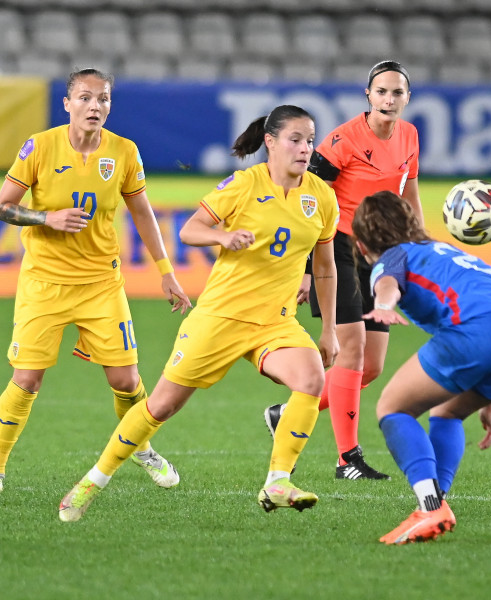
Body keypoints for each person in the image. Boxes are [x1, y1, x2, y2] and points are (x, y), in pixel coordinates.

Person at [57, 105, 340, 522]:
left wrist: (329, 330)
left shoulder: (322, 196)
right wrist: (224, 235)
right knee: (161, 407)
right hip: (220, 317)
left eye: (310, 140)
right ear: (271, 142)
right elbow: (190, 230)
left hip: (275, 322)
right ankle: (90, 482)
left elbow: (326, 267)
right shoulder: (244, 185)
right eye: (295, 139)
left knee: (312, 377)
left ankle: (278, 481)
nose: (305, 148)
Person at [0, 68, 191, 494]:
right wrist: (45, 218)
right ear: (68, 103)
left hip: (101, 284)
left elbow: (142, 213)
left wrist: (166, 272)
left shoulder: (125, 152)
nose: (95, 106)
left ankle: (142, 448)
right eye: (86, 98)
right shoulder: (40, 147)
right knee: (27, 379)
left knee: (126, 381)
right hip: (45, 282)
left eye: (104, 99)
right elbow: (2, 207)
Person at [351, 190, 491, 544]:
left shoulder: (393, 256)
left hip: (482, 329)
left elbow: (387, 282)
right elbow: (487, 302)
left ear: (363, 246)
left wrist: (383, 304)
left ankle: (430, 507)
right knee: (447, 411)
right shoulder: (445, 250)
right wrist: (488, 402)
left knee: (392, 408)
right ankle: (436, 499)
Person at [265, 60, 422, 480]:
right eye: (382, 92)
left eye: (397, 93)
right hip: (336, 248)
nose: (389, 99)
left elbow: (410, 190)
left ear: (408, 98)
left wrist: (418, 240)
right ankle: (346, 459)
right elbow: (307, 196)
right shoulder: (343, 141)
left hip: (379, 253)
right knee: (350, 353)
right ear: (367, 96)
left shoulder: (409, 135)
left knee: (370, 366)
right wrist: (303, 267)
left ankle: (287, 413)